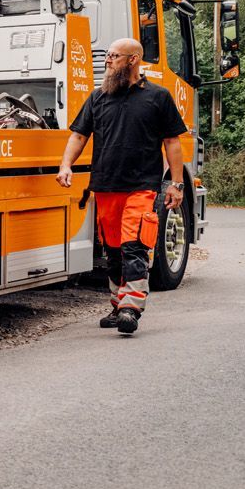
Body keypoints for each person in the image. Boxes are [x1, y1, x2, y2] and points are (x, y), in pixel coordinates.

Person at [55, 37, 187, 335]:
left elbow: (172, 142)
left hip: (141, 185)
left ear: (133, 60)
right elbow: (79, 136)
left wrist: (176, 184)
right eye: (108, 55)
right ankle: (117, 304)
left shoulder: (158, 97)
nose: (107, 60)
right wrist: (66, 165)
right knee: (113, 252)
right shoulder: (98, 97)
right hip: (105, 186)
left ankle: (132, 306)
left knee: (134, 246)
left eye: (114, 55)